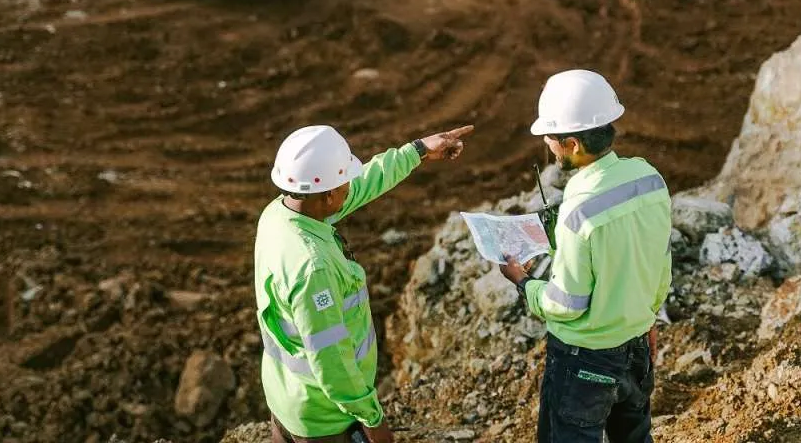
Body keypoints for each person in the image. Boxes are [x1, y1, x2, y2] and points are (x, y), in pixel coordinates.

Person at [255, 123, 475, 443]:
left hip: (286, 395)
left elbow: (363, 185)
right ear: (328, 194)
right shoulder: (313, 269)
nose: (350, 187)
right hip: (323, 418)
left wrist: (418, 150)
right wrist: (372, 418)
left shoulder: (280, 214)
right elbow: (332, 361)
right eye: (343, 182)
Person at [498, 69, 672, 443]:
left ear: (573, 144)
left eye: (552, 139)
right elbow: (660, 266)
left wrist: (523, 283)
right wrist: (647, 318)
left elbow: (567, 303)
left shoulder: (579, 211)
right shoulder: (650, 179)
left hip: (585, 361)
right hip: (637, 348)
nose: (548, 144)